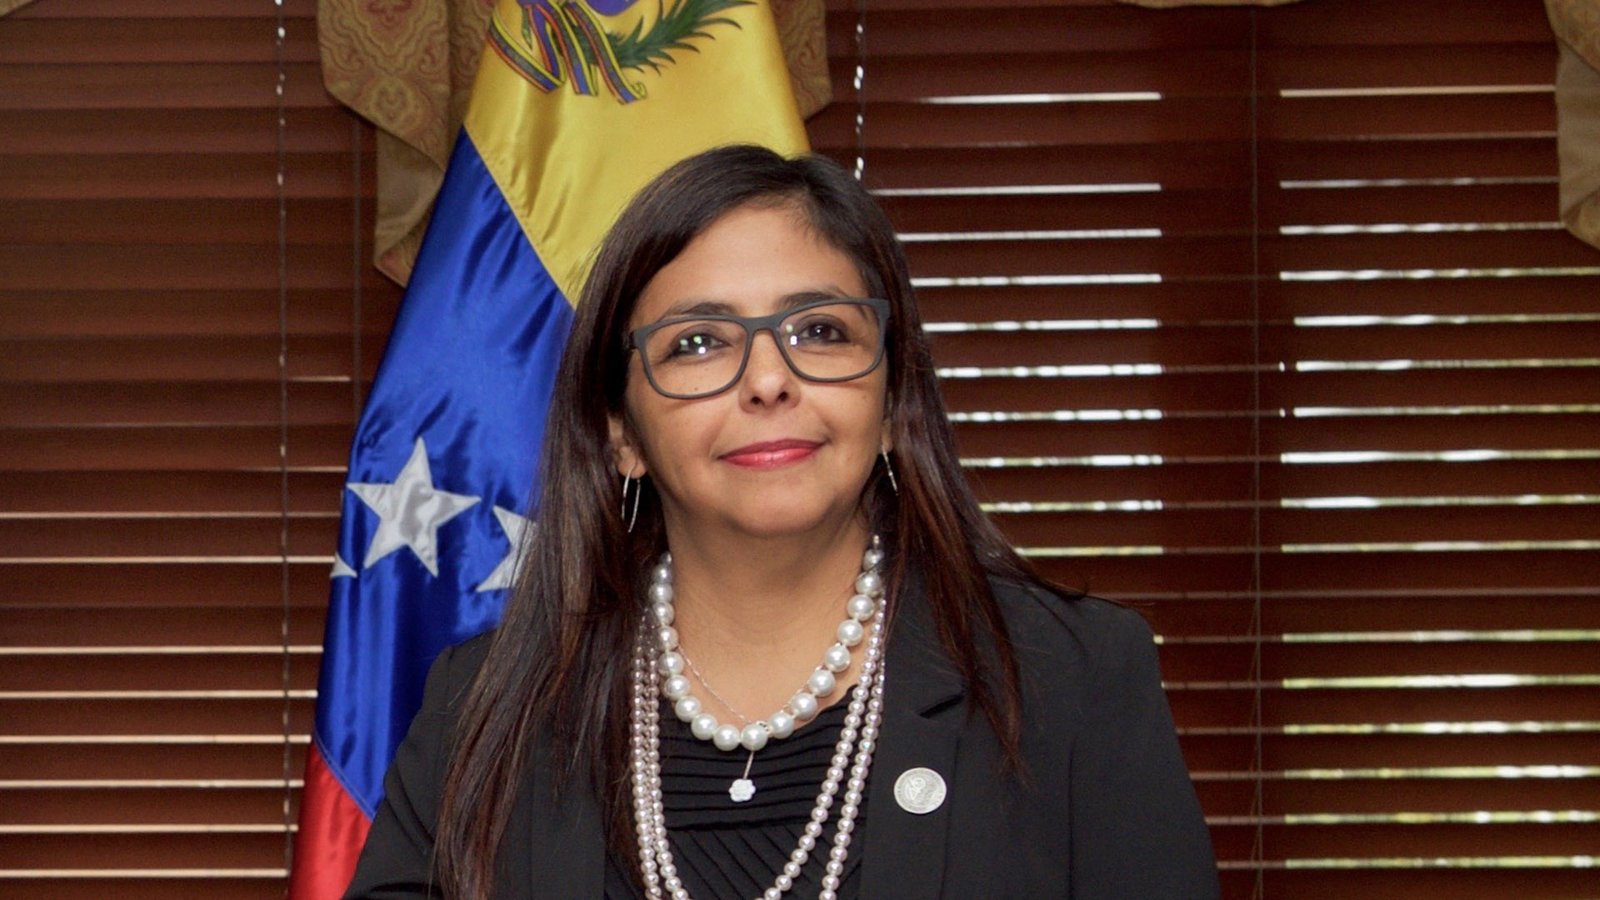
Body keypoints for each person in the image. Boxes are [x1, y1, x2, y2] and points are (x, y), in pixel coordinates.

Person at [343, 145, 1220, 899]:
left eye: (821, 331)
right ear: (621, 433)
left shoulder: (1071, 678)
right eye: (697, 342)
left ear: (891, 402)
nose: (768, 379)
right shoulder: (484, 706)